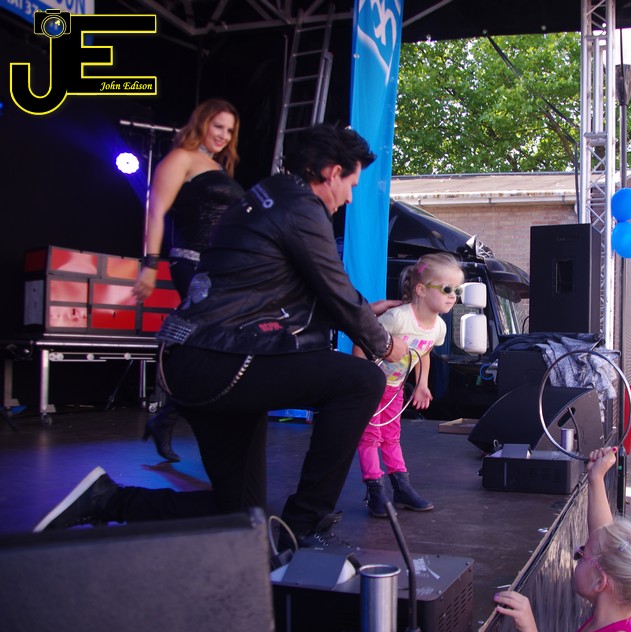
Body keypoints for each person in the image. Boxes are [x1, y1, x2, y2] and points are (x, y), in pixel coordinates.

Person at [34, 124, 410, 549]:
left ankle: (108, 501)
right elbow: (335, 290)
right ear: (332, 172)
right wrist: (384, 344)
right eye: (351, 185)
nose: (350, 198)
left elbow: (316, 290)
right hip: (220, 360)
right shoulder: (300, 206)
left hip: (202, 360)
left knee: (240, 515)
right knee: (361, 380)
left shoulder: (270, 197)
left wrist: (365, 312)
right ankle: (305, 524)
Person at [134, 99, 245, 463]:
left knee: (213, 346)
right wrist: (150, 265)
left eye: (229, 131)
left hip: (220, 269)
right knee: (212, 344)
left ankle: (166, 419)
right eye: (218, 126)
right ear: (202, 123)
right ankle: (174, 418)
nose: (224, 135)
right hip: (191, 263)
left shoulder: (217, 166)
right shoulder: (181, 158)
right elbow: (155, 211)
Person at [494, 447, 631, 632]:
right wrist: (596, 477)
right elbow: (602, 536)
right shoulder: (615, 611)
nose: (577, 558)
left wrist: (529, 630)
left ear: (600, 582)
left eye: (581, 555)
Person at [354, 252, 463, 517]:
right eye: (447, 289)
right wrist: (361, 379)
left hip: (394, 389)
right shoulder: (398, 318)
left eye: (457, 290)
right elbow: (362, 341)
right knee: (370, 437)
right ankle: (375, 490)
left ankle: (401, 487)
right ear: (421, 290)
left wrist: (422, 384)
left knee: (392, 436)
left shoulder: (438, 328)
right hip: (371, 388)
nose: (453, 296)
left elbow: (423, 353)